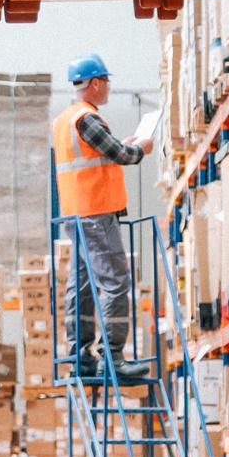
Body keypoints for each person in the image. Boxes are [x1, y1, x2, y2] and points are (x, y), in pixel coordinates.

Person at [50, 54, 154, 379]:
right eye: (106, 81)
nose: (109, 87)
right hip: (96, 213)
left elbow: (99, 154)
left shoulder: (64, 120)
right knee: (115, 282)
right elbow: (122, 155)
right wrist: (142, 148)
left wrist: (122, 145)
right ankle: (113, 359)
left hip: (76, 215)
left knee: (80, 287)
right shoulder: (87, 119)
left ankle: (81, 358)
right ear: (95, 83)